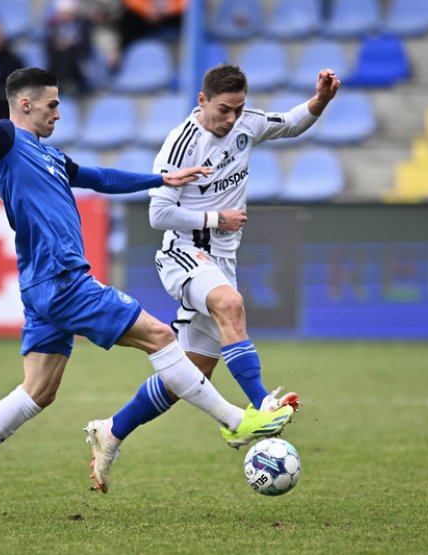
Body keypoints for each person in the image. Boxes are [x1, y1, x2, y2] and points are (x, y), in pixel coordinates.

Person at [0, 20, 295, 519]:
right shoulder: (6, 141)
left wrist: (161, 177)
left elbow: (99, 178)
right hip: (61, 278)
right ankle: (235, 421)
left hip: (40, 287)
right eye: (52, 104)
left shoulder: (49, 155)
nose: (59, 110)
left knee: (40, 390)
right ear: (26, 104)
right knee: (161, 337)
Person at [85, 63, 341, 493]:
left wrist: (321, 101)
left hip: (222, 260)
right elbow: (157, 214)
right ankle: (262, 406)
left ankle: (111, 431)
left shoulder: (247, 124)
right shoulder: (181, 143)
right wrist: (215, 217)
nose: (231, 119)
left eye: (238, 109)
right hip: (183, 253)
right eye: (224, 109)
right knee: (231, 304)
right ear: (202, 101)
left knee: (191, 372)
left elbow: (291, 123)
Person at [45, 0, 93, 95]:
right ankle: (60, 83)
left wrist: (69, 46)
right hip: (57, 64)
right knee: (60, 54)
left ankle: (68, 83)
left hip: (77, 65)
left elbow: (86, 48)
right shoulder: (53, 26)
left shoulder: (83, 25)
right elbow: (49, 47)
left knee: (68, 53)